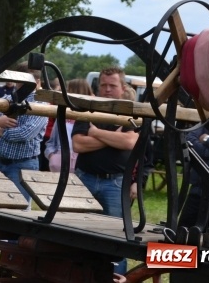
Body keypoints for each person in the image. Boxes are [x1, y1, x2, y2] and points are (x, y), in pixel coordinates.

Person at [72, 66, 137, 275]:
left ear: (123, 87)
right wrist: (113, 138)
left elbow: (129, 142)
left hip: (115, 183)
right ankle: (81, 276)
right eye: (103, 85)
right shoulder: (88, 109)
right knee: (79, 232)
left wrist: (95, 132)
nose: (107, 89)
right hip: (85, 179)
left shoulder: (131, 112)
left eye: (112, 85)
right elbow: (78, 144)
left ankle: (115, 278)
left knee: (117, 237)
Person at [0, 63, 47, 203]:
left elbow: (23, 135)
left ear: (37, 82)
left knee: (18, 210)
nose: (20, 85)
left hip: (23, 165)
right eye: (19, 80)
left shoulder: (41, 106)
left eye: (25, 81)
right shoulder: (6, 100)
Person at [44, 79, 90, 173]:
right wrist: (52, 156)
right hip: (59, 163)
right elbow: (51, 142)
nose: (65, 94)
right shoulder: (63, 115)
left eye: (68, 90)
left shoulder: (91, 116)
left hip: (82, 164)